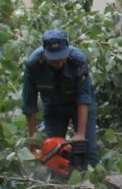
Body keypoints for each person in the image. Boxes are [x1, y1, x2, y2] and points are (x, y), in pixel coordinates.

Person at [21, 30, 99, 168]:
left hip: (79, 106)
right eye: (53, 59)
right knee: (53, 152)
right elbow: (29, 102)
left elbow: (84, 96)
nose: (58, 63)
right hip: (53, 107)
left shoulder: (77, 61)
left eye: (61, 58)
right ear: (45, 53)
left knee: (88, 149)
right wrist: (33, 137)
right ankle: (59, 180)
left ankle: (89, 177)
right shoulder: (33, 65)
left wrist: (80, 134)